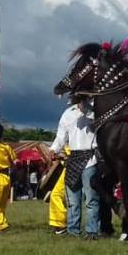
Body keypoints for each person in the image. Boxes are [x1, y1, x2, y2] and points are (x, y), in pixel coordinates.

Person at [49, 100, 99, 239]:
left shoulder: (94, 111)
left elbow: (99, 125)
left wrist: (86, 110)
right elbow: (61, 136)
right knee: (72, 200)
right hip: (73, 157)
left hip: (90, 157)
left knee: (91, 199)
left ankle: (92, 231)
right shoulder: (68, 113)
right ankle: (73, 231)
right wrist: (53, 149)